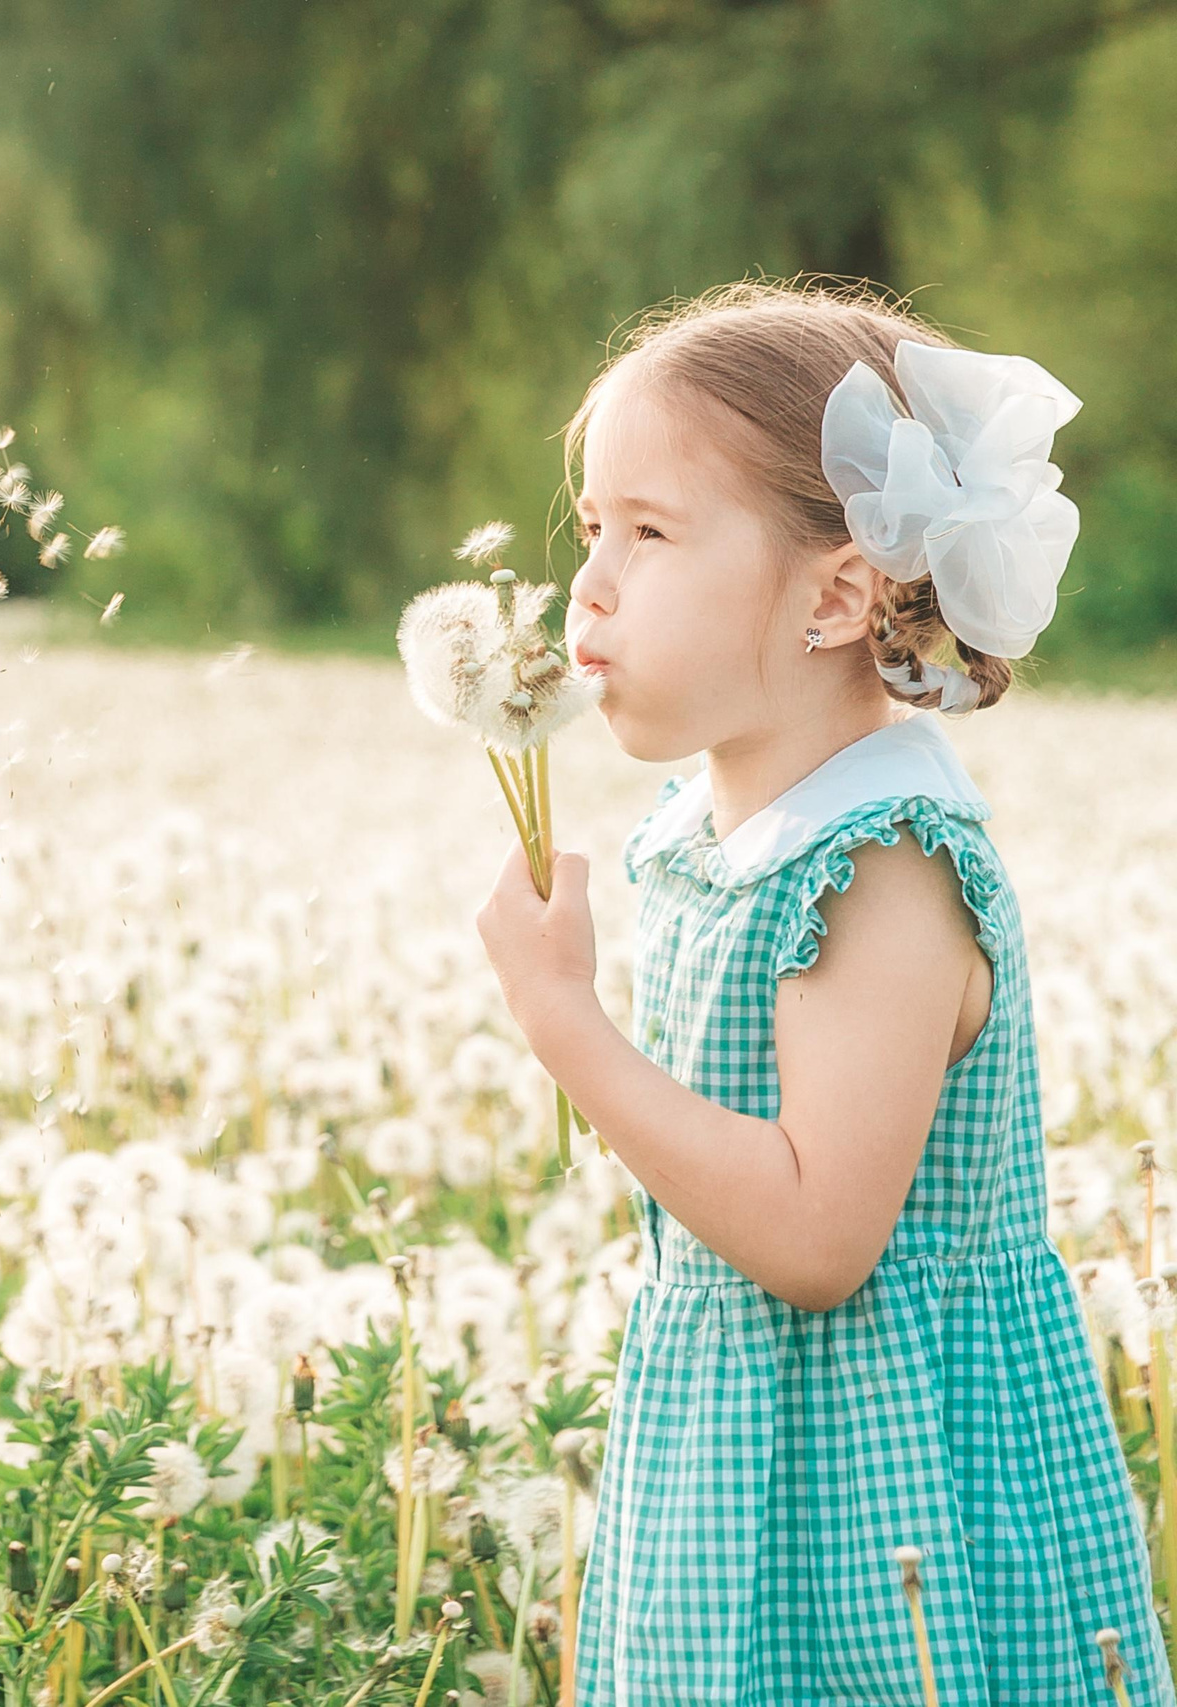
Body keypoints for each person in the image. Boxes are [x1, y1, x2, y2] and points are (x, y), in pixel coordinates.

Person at [474, 277, 1172, 1705]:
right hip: (737, 1451)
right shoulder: (710, 831)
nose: (588, 588)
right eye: (590, 530)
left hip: (891, 1484)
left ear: (839, 593)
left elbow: (813, 1237)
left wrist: (565, 1025)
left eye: (650, 535)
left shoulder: (880, 867)